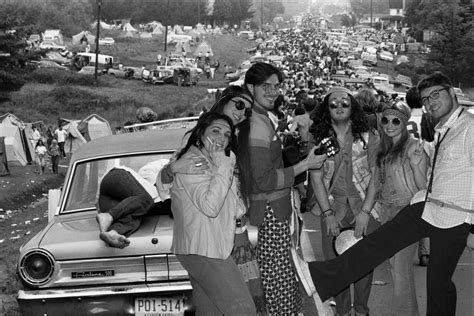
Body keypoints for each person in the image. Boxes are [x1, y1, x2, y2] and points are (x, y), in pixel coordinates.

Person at [308, 71, 474, 316]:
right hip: (429, 205)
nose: (431, 102)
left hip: (455, 215)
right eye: (426, 99)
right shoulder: (444, 129)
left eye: (436, 95)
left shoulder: (469, 128)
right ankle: (319, 278)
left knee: (438, 283)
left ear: (452, 93)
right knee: (378, 243)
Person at [157, 86, 267, 313]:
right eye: (238, 104)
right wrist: (171, 170)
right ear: (223, 101)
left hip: (232, 237)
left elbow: (235, 199)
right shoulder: (199, 150)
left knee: (213, 310)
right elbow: (176, 186)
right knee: (243, 309)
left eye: (247, 111)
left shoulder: (230, 146)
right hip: (209, 243)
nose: (241, 112)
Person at [238, 62, 327, 314]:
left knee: (282, 277)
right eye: (266, 86)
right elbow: (263, 180)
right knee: (279, 283)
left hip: (274, 212)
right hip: (268, 214)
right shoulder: (256, 124)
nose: (272, 91)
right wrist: (305, 165)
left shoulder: (262, 118)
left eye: (276, 86)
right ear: (250, 87)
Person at [309, 86, 380, 316]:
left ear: (353, 106)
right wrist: (328, 214)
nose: (339, 106)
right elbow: (316, 178)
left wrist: (365, 213)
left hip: (362, 205)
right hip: (332, 206)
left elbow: (376, 176)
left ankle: (361, 310)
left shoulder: (369, 137)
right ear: (326, 108)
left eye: (344, 101)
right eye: (333, 102)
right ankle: (342, 311)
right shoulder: (319, 138)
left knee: (363, 263)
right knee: (335, 264)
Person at [363, 100, 428, 316]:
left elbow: (423, 188)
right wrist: (365, 212)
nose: (390, 125)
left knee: (400, 272)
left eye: (395, 120)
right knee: (396, 270)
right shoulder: (383, 147)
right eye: (386, 120)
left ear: (404, 122)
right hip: (387, 212)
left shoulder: (414, 147)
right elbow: (375, 182)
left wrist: (418, 166)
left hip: (406, 212)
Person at [96, 159, 169, 248]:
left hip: (115, 201)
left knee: (135, 218)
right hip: (116, 178)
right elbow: (145, 171)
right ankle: (109, 215)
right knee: (146, 200)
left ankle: (112, 233)